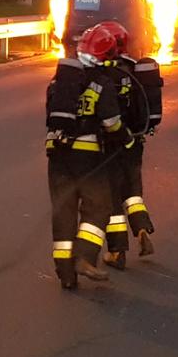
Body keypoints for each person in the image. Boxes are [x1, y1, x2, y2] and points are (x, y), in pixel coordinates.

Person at [44, 22, 127, 290]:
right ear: (106, 55)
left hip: (57, 156)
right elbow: (111, 123)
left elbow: (51, 116)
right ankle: (85, 257)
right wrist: (125, 137)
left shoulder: (59, 81)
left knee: (63, 211)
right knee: (99, 206)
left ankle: (65, 273)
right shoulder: (102, 83)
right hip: (88, 158)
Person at [101, 49, 163, 267]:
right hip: (135, 143)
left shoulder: (103, 72)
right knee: (133, 193)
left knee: (112, 197)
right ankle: (142, 229)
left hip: (112, 144)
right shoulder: (135, 69)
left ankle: (117, 251)